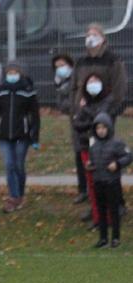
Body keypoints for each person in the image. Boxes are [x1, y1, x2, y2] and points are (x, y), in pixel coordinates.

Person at [0, 61, 40, 213]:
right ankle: (14, 196)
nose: (12, 75)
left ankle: (20, 194)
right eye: (9, 73)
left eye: (14, 72)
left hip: (22, 136)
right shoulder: (0, 92)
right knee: (9, 165)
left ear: (19, 73)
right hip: (4, 136)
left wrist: (34, 137)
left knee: (19, 166)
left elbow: (35, 116)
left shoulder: (28, 91)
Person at [73, 73, 117, 230]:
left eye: (96, 81)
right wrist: (88, 118)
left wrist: (86, 112)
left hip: (104, 149)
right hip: (87, 148)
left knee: (106, 183)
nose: (93, 84)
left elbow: (102, 119)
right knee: (92, 184)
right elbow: (77, 124)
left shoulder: (108, 101)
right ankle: (98, 219)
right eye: (90, 82)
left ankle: (110, 217)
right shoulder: (82, 103)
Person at [87, 113, 130, 249]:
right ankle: (103, 238)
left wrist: (117, 164)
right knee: (101, 210)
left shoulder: (117, 143)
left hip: (112, 182)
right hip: (98, 181)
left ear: (109, 128)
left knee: (113, 210)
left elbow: (128, 156)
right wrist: (90, 165)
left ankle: (115, 238)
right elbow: (93, 161)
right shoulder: (93, 144)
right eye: (98, 128)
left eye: (104, 128)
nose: (101, 130)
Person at [52, 53, 86, 204]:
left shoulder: (78, 79)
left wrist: (75, 106)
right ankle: (82, 189)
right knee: (79, 156)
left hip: (86, 119)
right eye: (57, 67)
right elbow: (62, 105)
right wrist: (72, 107)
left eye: (62, 65)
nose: (60, 69)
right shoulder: (59, 83)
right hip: (74, 122)